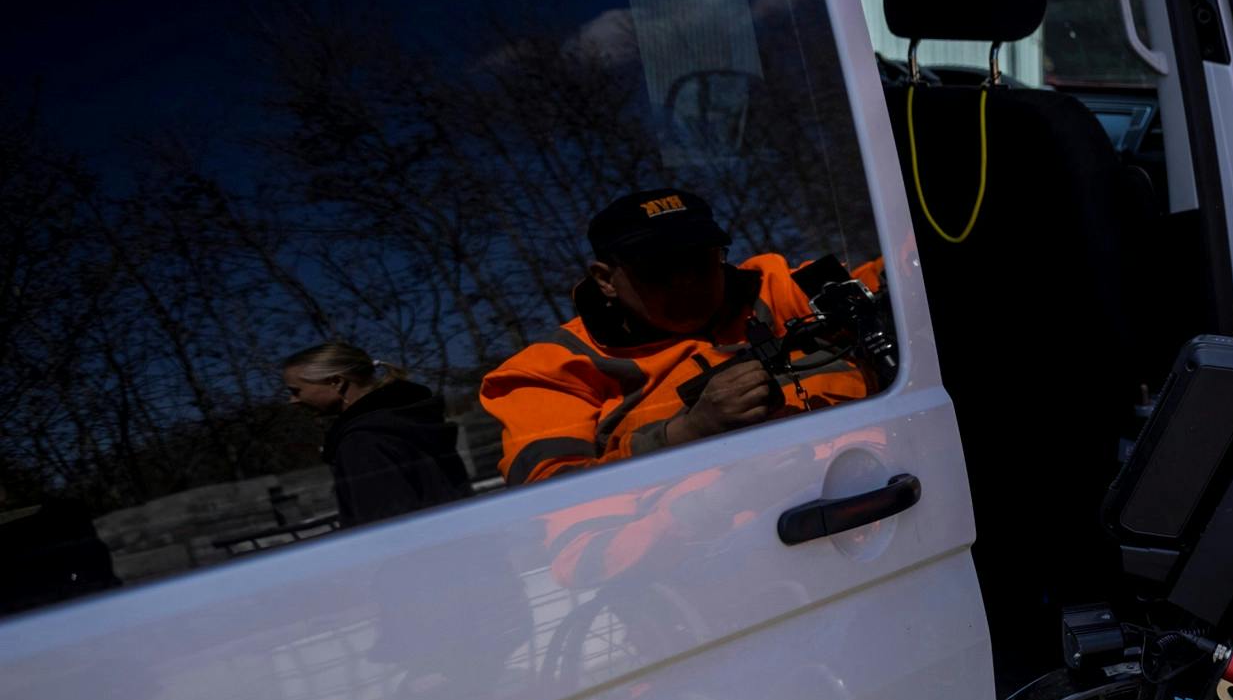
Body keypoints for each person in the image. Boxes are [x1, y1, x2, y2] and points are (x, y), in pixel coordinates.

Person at [481, 188, 884, 487]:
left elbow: (894, 278)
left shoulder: (775, 290)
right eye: (660, 270)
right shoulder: (553, 372)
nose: (688, 282)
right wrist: (687, 432)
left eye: (701, 261)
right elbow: (553, 501)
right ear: (605, 279)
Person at [280, 342, 476, 528]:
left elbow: (385, 528)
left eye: (296, 391)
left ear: (336, 382)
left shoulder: (363, 443)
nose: (293, 400)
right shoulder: (411, 419)